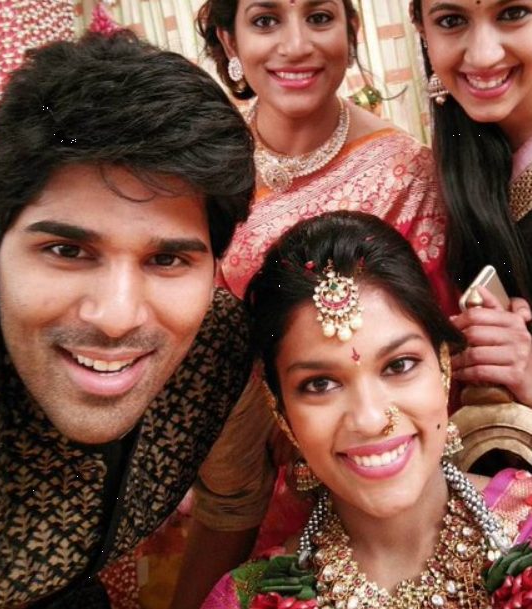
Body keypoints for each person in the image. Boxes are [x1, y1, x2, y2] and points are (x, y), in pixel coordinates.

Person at [169, 2, 456, 606]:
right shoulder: (199, 170)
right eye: (265, 20)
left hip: (370, 463)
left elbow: (428, 355)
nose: (296, 45)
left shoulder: (405, 172)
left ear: (352, 32)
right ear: (229, 40)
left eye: (319, 17)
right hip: (222, 454)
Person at [0, 31, 256, 608]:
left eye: (167, 260)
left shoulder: (218, 344)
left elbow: (235, 498)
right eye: (67, 251)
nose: (117, 317)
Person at [201, 210, 532, 609]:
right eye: (320, 384)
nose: (371, 419)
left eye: (399, 365)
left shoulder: (525, 522)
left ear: (443, 364)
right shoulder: (249, 600)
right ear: (281, 410)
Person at [410, 0, 532, 407]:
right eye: (451, 20)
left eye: (513, 13)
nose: (483, 55)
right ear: (422, 30)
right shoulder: (448, 166)